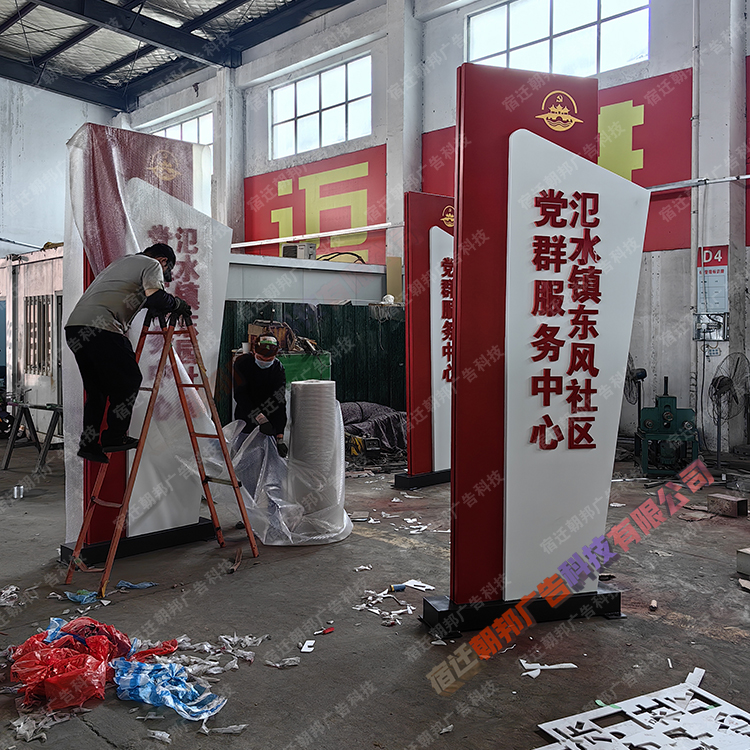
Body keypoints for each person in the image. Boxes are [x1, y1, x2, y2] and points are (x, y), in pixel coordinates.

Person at [65, 243, 192, 464]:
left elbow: (130, 296)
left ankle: (88, 444)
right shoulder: (152, 264)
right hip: (103, 328)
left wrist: (153, 304)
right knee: (130, 380)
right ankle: (115, 436)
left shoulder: (122, 262)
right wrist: (176, 304)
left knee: (97, 391)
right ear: (163, 261)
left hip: (76, 328)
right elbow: (156, 296)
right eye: (166, 271)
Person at [233, 335, 288, 458]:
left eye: (269, 359)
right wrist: (259, 418)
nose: (265, 362)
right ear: (254, 352)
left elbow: (279, 401)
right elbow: (240, 395)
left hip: (269, 417)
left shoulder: (277, 368)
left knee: (268, 458)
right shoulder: (242, 363)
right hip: (247, 415)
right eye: (261, 358)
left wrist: (280, 437)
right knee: (246, 456)